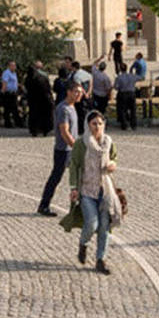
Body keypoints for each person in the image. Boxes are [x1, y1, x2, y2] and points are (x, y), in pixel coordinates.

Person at [63, 110, 121, 275]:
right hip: (87, 191)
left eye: (100, 124)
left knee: (104, 227)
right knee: (92, 223)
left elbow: (114, 158)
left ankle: (100, 260)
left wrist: (112, 164)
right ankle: (83, 243)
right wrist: (74, 188)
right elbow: (74, 165)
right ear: (88, 125)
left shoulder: (108, 142)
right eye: (94, 123)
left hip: (105, 190)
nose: (97, 127)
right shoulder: (81, 144)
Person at [36, 80, 80, 216]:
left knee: (79, 177)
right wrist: (76, 147)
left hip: (70, 149)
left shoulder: (72, 107)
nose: (79, 95)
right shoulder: (63, 109)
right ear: (69, 92)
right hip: (64, 150)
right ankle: (44, 205)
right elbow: (64, 131)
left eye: (80, 92)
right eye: (76, 92)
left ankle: (80, 206)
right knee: (56, 178)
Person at [26, 62, 54, 137]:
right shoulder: (41, 78)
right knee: (43, 115)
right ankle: (44, 130)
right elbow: (47, 89)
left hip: (32, 100)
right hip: (42, 100)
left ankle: (34, 130)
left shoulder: (28, 79)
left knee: (33, 116)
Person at [114, 62, 139, 131]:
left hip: (123, 94)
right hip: (131, 93)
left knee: (122, 110)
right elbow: (140, 78)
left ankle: (124, 125)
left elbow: (116, 87)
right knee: (133, 110)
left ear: (120, 69)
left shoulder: (119, 77)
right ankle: (133, 125)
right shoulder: (132, 76)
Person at [0, 60, 19, 128]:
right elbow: (5, 83)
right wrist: (2, 92)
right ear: (9, 66)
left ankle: (17, 122)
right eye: (13, 65)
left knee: (15, 108)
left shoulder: (14, 73)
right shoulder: (6, 73)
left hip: (14, 93)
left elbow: (15, 82)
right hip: (8, 93)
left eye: (15, 65)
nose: (14, 67)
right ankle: (8, 123)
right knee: (7, 109)